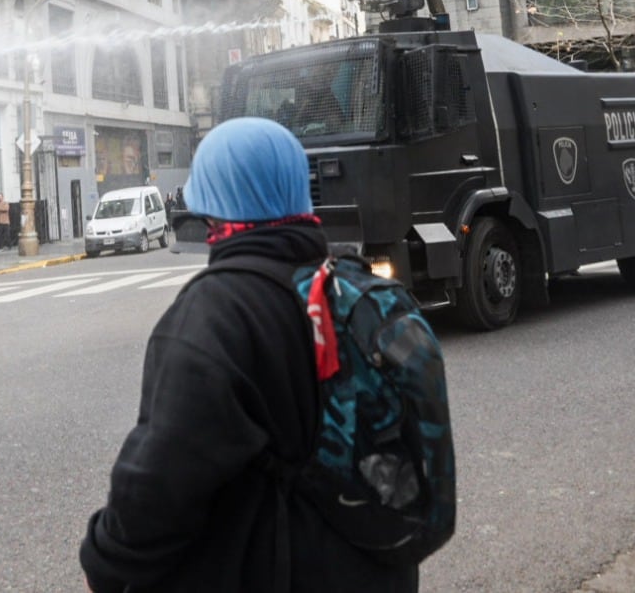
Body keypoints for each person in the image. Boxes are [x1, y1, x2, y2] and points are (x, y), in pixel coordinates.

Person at [81, 117, 417, 592]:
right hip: (376, 572)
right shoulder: (356, 287)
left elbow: (156, 490)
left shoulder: (216, 313)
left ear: (213, 206)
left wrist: (103, 558)